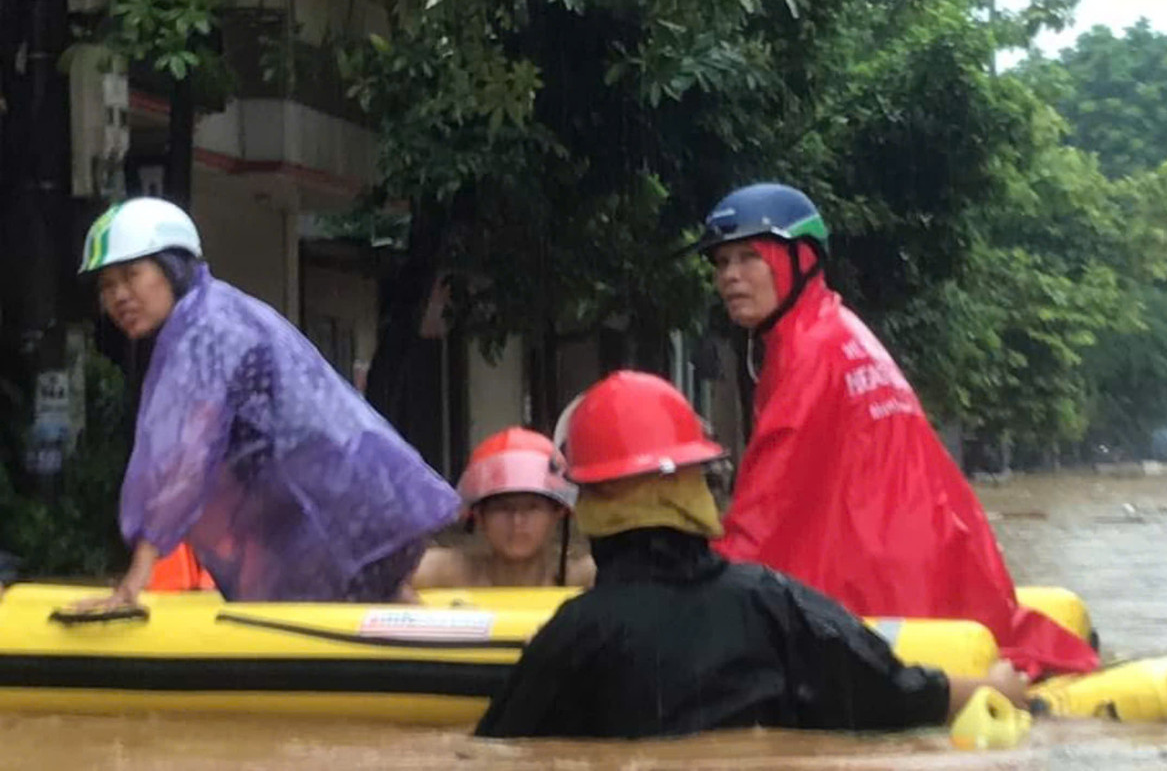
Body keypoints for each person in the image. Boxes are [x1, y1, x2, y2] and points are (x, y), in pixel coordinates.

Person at [474, 371, 1029, 739]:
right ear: (695, 488)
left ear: (591, 502)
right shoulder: (774, 602)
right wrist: (998, 687)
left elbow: (494, 746)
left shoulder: (574, 634)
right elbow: (895, 693)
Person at [693, 183, 1099, 678]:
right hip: (942, 562)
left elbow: (764, 514)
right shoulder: (840, 329)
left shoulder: (809, 354)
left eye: (749, 257)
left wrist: (688, 578)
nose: (730, 276)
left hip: (887, 579)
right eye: (721, 262)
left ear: (801, 258)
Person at [70, 197, 458, 609]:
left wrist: (134, 581)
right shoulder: (218, 310)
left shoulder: (203, 332)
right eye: (107, 285)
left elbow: (180, 458)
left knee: (346, 640)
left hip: (335, 515)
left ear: (173, 269)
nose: (120, 296)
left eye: (132, 275)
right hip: (356, 504)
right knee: (385, 615)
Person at [411, 427, 595, 588]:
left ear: (558, 513)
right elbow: (388, 574)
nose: (517, 521)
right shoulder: (445, 573)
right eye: (502, 508)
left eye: (532, 508)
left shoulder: (583, 579)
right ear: (479, 516)